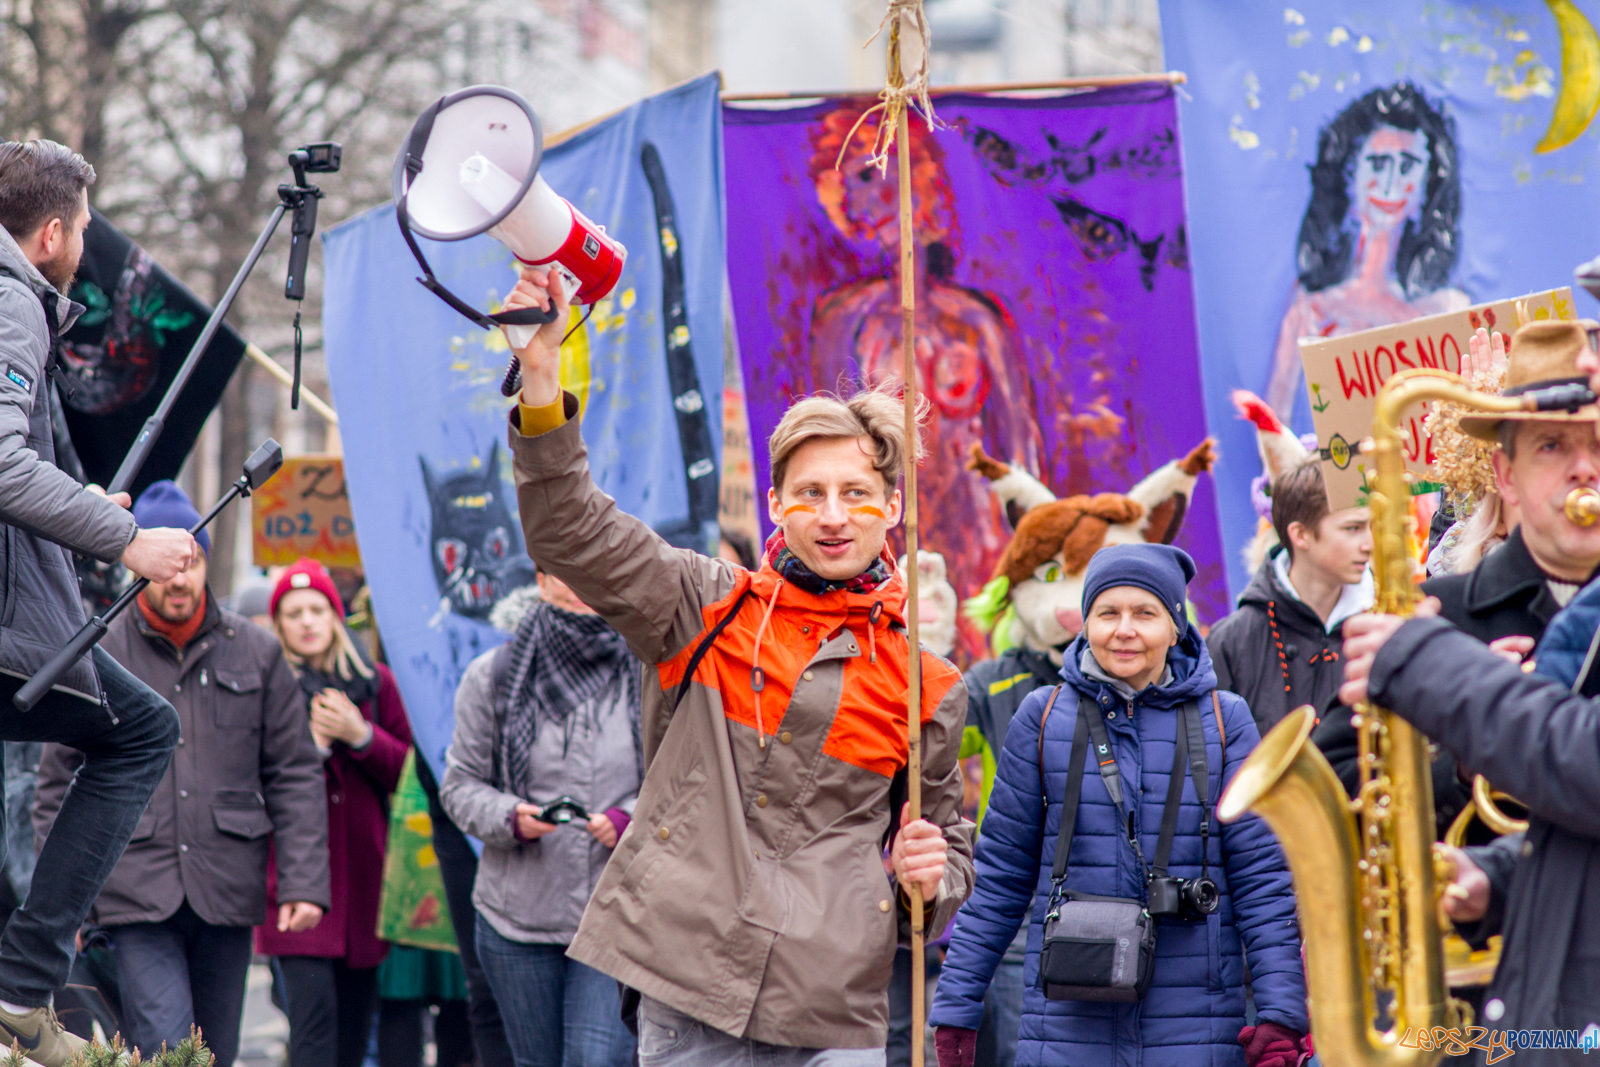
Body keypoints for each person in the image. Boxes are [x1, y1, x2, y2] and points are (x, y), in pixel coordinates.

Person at [501, 266, 972, 1064]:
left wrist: (934, 873)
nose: (832, 515)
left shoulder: (928, 680)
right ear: (777, 505)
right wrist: (541, 374)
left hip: (832, 1004)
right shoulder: (704, 604)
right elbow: (569, 532)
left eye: (856, 493)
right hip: (687, 981)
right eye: (809, 491)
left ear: (892, 508)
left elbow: (944, 848)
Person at [929, 544, 1308, 1067]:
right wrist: (956, 1008)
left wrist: (1281, 1012)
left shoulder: (1225, 721)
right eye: (1108, 613)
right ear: (1086, 623)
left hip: (1198, 1027)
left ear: (1175, 626)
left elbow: (1260, 880)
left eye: (1145, 613)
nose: (1124, 629)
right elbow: (999, 879)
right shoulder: (1043, 718)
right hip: (1065, 1027)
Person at [0, 139, 200, 1066]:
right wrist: (127, 539)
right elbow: (1, 464)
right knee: (143, 731)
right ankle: (21, 980)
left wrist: (87, 511)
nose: (87, 240)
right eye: (83, 225)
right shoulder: (11, 299)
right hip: (9, 625)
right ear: (50, 234)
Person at [32, 481, 329, 1067]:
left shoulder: (258, 653)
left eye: (191, 560)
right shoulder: (99, 652)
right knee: (168, 1045)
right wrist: (58, 907)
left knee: (215, 1048)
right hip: (133, 891)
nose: (179, 577)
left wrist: (303, 882)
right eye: (169, 560)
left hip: (227, 886)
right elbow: (54, 786)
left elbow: (294, 773)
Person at [1313, 319, 1600, 836]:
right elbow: (1332, 791)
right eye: (1552, 446)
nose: (1584, 469)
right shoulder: (1428, 613)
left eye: (1599, 443)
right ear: (1507, 476)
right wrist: (1457, 762)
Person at [439, 567, 642, 1067]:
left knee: (596, 1061)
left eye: (588, 572)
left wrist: (628, 818)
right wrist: (510, 816)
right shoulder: (494, 674)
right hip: (517, 919)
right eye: (564, 574)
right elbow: (459, 785)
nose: (578, 588)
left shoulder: (647, 671)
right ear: (541, 579)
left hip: (614, 913)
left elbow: (684, 779)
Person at [260, 559, 413, 1067]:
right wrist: (316, 747)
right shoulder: (267, 686)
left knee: (352, 1032)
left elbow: (408, 777)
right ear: (278, 623)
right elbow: (252, 780)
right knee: (313, 1027)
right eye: (293, 611)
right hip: (296, 886)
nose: (307, 621)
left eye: (317, 609)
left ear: (336, 615)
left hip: (367, 886)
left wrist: (361, 737)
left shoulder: (377, 684)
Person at [1267, 81, 1469, 417]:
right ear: (1349, 173)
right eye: (1378, 163)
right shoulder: (1312, 306)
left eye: (1407, 167)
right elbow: (1274, 423)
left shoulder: (1446, 308)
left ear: (1427, 182)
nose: (1390, 184)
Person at [1207, 457, 1373, 734]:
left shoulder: (1384, 622)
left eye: (1371, 527)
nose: (1369, 544)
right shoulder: (1232, 641)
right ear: (1300, 535)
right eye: (1352, 529)